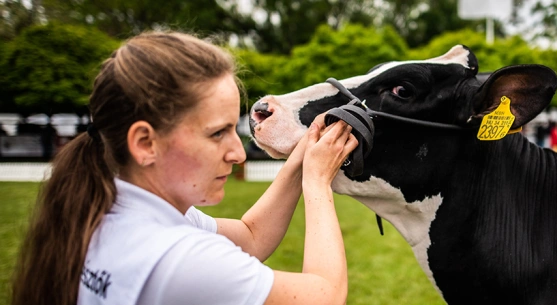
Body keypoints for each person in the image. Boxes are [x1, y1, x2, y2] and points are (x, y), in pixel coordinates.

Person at [12, 32, 358, 305]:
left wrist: (299, 161)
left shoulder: (110, 208)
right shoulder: (177, 259)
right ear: (145, 143)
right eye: (217, 133)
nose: (238, 154)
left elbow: (251, 237)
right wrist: (316, 182)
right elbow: (325, 296)